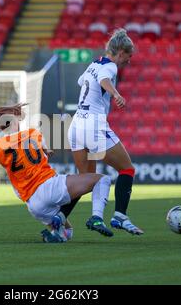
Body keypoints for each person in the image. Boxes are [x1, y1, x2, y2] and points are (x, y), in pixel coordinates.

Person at [0, 103, 114, 242]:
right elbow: (43, 149)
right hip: (49, 187)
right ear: (15, 120)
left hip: (34, 205)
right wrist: (47, 151)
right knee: (102, 180)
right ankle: (96, 217)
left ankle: (56, 233)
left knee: (67, 233)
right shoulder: (33, 133)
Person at [65, 28, 144, 235]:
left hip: (76, 126)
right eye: (128, 56)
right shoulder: (110, 67)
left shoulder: (94, 63)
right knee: (127, 169)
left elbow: (81, 81)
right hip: (93, 126)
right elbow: (104, 80)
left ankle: (60, 218)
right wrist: (115, 94)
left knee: (85, 179)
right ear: (120, 53)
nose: (129, 60)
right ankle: (120, 217)